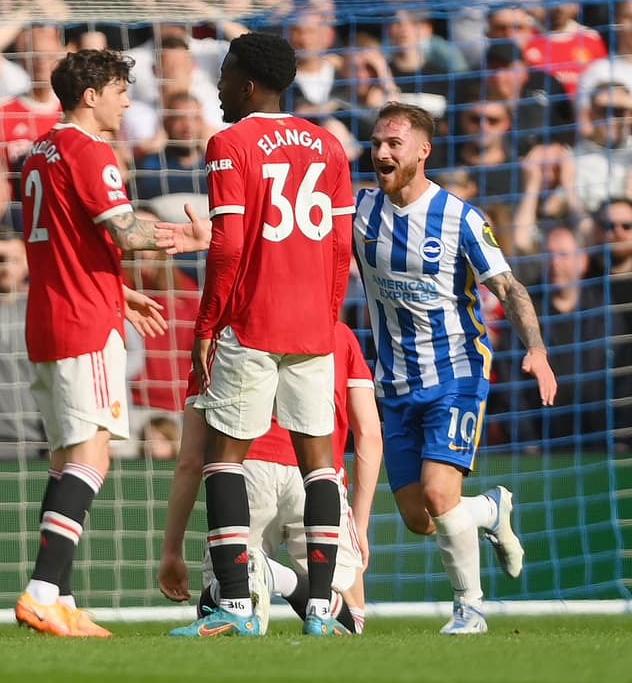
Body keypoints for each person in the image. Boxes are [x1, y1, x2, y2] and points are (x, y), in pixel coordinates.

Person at [166, 31, 355, 637]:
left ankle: (237, 606)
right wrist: (327, 317)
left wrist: (208, 321)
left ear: (247, 82)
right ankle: (323, 610)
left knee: (224, 461)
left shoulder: (229, 142)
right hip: (312, 326)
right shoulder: (329, 145)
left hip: (250, 320)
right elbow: (341, 246)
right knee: (320, 463)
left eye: (223, 73)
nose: (217, 85)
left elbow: (229, 243)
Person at [356, 102, 557, 634]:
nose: (381, 152)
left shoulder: (459, 217)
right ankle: (491, 509)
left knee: (441, 495)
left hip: (457, 372)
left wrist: (534, 348)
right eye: (377, 142)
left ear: (423, 151)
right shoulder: (358, 212)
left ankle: (470, 608)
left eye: (394, 143)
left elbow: (508, 289)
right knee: (420, 518)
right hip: (394, 381)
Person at [12, 48, 187, 638]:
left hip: (52, 316)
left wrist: (117, 292)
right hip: (85, 325)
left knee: (66, 460)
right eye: (119, 90)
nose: (126, 101)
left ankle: (59, 597)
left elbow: (70, 240)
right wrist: (188, 235)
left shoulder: (38, 151)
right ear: (91, 96)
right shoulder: (89, 149)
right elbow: (123, 229)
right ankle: (41, 592)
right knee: (94, 455)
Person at [158, 322, 381, 636]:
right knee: (350, 624)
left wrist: (171, 550)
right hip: (316, 479)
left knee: (224, 606)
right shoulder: (338, 334)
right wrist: (359, 523)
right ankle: (281, 580)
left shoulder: (220, 335)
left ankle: (266, 575)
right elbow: (369, 433)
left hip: (241, 476)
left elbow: (190, 461)